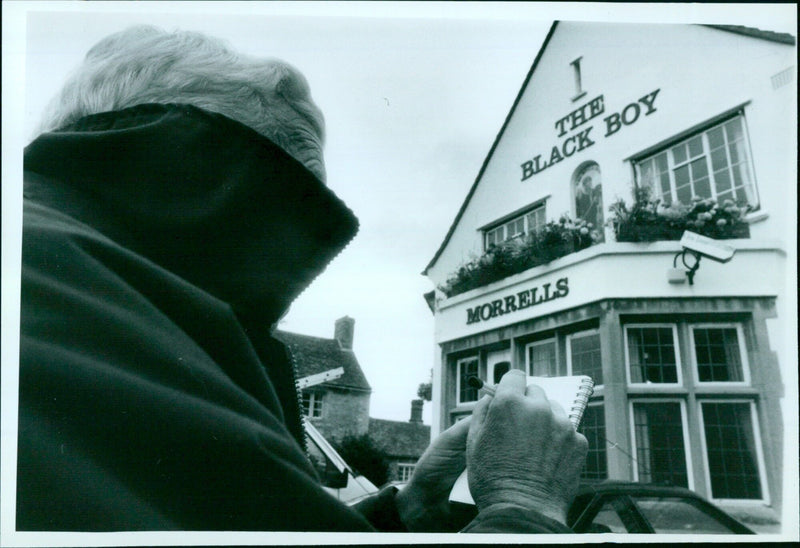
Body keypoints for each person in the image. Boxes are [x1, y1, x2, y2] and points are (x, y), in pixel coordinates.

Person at [17, 25, 588, 533]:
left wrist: (403, 511)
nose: (281, 279)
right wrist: (522, 506)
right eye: (280, 218)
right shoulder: (67, 304)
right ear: (196, 169)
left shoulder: (92, 286)